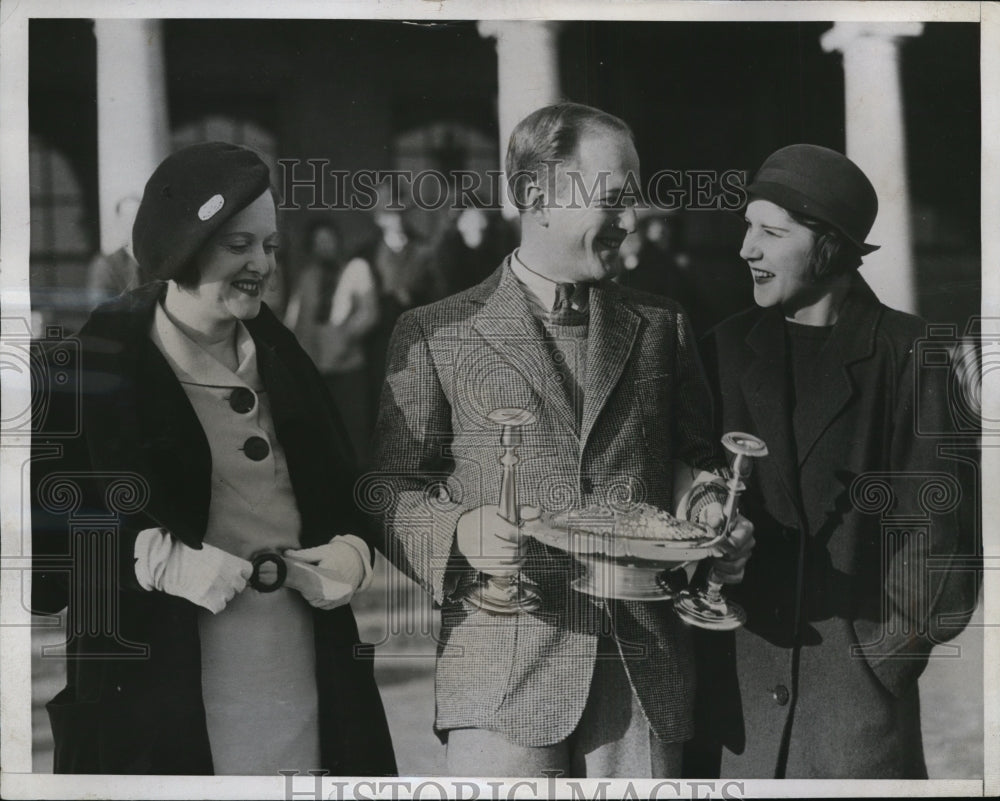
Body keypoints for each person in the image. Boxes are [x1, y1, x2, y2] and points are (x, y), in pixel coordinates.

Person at [369, 103, 754, 778]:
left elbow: (692, 464)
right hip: (499, 680)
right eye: (614, 199)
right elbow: (387, 491)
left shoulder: (663, 324)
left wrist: (711, 512)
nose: (630, 220)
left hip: (643, 677)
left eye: (632, 199)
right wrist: (458, 533)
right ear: (535, 196)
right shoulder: (437, 332)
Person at [31, 142, 396, 776]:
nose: (264, 264)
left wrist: (353, 553)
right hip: (158, 691)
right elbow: (38, 550)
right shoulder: (86, 370)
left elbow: (346, 494)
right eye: (240, 246)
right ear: (181, 247)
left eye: (271, 247)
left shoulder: (288, 364)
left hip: (299, 679)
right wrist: (156, 562)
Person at [688, 144, 977, 778]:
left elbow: (942, 549)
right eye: (747, 227)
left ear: (829, 246)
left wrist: (875, 663)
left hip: (852, 724)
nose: (746, 250)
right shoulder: (724, 349)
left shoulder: (912, 355)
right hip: (735, 717)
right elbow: (688, 497)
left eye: (770, 232)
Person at [286, 219, 380, 463]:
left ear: (338, 242)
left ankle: (360, 492)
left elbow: (369, 314)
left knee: (354, 432)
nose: (324, 247)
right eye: (318, 243)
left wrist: (343, 340)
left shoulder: (356, 269)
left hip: (349, 367)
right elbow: (295, 319)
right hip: (316, 369)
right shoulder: (308, 276)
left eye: (328, 241)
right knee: (322, 435)